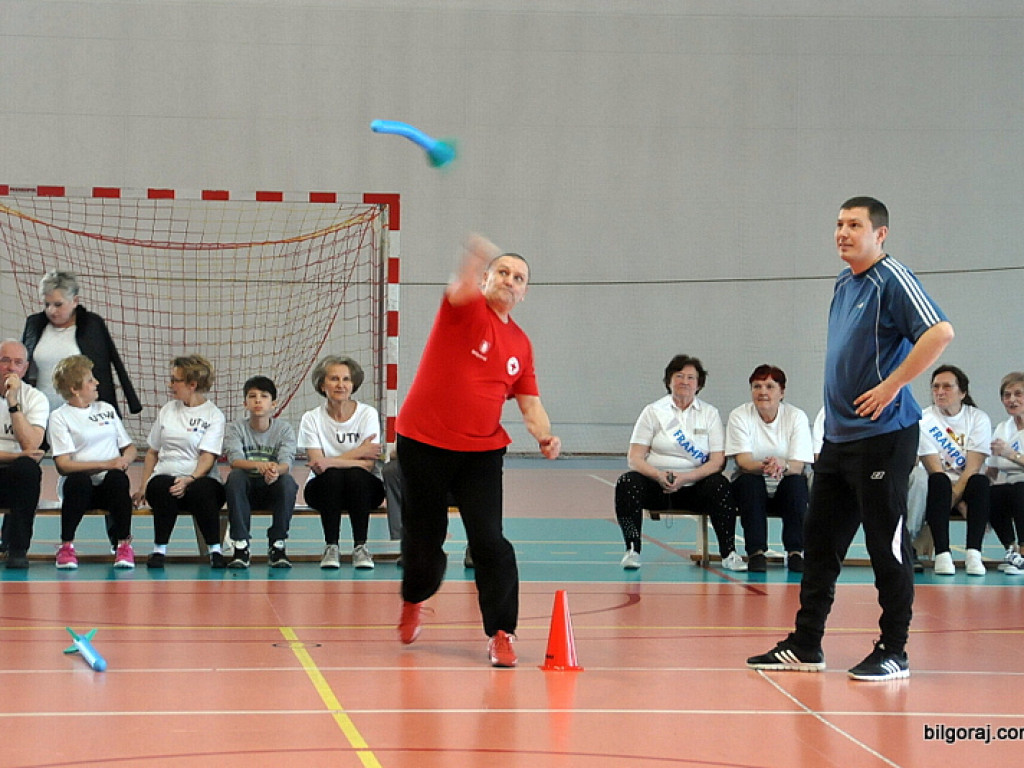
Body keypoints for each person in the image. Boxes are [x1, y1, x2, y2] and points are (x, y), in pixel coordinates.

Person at [747, 196, 954, 681]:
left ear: (880, 234)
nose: (842, 232)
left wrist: (892, 385)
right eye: (838, 223)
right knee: (820, 544)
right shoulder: (844, 282)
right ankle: (806, 643)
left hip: (885, 437)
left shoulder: (893, 279)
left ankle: (894, 650)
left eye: (854, 225)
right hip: (839, 440)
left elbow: (940, 332)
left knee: (887, 546)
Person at [396, 236, 561, 668]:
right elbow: (459, 288)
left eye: (519, 278)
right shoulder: (465, 310)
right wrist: (472, 257)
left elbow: (530, 402)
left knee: (490, 541)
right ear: (488, 278)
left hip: (481, 453)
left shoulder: (521, 345)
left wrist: (545, 436)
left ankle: (502, 632)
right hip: (423, 442)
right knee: (424, 541)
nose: (510, 280)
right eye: (502, 272)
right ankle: (415, 598)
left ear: (525, 292)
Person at [616, 354, 746, 572]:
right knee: (626, 482)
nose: (685, 381)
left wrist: (685, 478)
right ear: (669, 381)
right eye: (679, 376)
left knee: (720, 485)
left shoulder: (710, 414)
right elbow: (635, 457)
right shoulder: (653, 412)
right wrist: (658, 475)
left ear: (699, 384)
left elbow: (717, 462)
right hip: (657, 486)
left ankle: (729, 553)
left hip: (696, 487)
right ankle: (632, 549)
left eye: (691, 377)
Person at [133, 355, 226, 568]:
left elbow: (207, 457)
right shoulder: (167, 410)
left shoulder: (213, 415)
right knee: (160, 486)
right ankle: (159, 550)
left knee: (201, 490)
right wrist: (143, 486)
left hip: (200, 478)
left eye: (175, 380)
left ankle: (215, 550)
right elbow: (152, 452)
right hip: (167, 475)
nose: (170, 384)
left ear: (192, 385)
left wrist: (189, 479)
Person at [48, 355, 137, 569]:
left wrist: (124, 460)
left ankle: (123, 545)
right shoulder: (60, 417)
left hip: (108, 487)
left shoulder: (105, 409)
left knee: (117, 479)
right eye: (90, 380)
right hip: (79, 489)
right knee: (79, 480)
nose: (96, 383)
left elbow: (130, 448)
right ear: (74, 389)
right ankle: (66, 546)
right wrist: (106, 464)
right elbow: (63, 465)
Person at [298, 355, 385, 570]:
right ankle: (331, 547)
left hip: (365, 490)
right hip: (323, 489)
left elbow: (368, 466)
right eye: (334, 379)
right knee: (333, 477)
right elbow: (317, 465)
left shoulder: (367, 414)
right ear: (322, 385)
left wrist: (330, 461)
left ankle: (361, 547)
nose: (341, 384)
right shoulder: (311, 418)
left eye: (346, 379)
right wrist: (358, 452)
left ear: (353, 384)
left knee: (356, 476)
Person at [726, 364, 813, 572]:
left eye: (769, 386)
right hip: (753, 479)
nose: (763, 392)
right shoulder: (739, 416)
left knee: (796, 484)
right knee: (749, 482)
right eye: (757, 386)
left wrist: (782, 466)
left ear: (782, 392)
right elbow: (744, 462)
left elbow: (798, 465)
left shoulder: (796, 417)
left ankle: (795, 552)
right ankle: (756, 552)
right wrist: (768, 466)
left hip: (785, 480)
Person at [22, 270, 141, 416]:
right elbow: (24, 368)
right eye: (47, 304)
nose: (52, 311)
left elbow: (107, 369)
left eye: (58, 304)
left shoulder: (92, 325)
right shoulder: (34, 325)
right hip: (42, 411)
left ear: (75, 301)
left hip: (83, 413)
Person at [918, 365, 992, 576]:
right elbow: (934, 469)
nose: (940, 392)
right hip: (938, 493)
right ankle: (943, 554)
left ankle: (974, 554)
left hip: (967, 487)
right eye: (936, 387)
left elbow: (972, 468)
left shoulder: (978, 418)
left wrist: (958, 497)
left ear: (962, 392)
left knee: (979, 482)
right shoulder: (925, 419)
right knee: (939, 481)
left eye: (947, 387)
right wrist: (957, 502)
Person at [223, 376, 299, 569]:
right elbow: (235, 461)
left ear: (273, 404)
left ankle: (277, 545)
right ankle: (241, 546)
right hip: (245, 492)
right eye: (252, 396)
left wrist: (274, 469)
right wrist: (260, 465)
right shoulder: (236, 428)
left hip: (271, 489)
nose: (258, 400)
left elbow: (286, 463)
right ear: (245, 403)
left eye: (264, 396)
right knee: (235, 477)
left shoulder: (284, 429)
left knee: (287, 482)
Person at [0, 340, 48, 569]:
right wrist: (16, 456)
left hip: (15, 478)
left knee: (28, 470)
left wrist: (13, 403)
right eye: (5, 361)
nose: (11, 368)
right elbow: (27, 451)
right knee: (23, 462)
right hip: (10, 461)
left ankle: (17, 549)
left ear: (25, 369)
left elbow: (31, 443)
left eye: (17, 363)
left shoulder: (36, 399)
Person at [985, 372, 1024, 574]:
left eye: (1018, 394)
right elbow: (991, 470)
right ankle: (1012, 550)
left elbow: (1007, 456)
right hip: (1009, 486)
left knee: (1020, 490)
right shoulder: (1003, 427)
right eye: (1007, 395)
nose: (1012, 399)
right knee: (991, 493)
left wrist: (1012, 454)